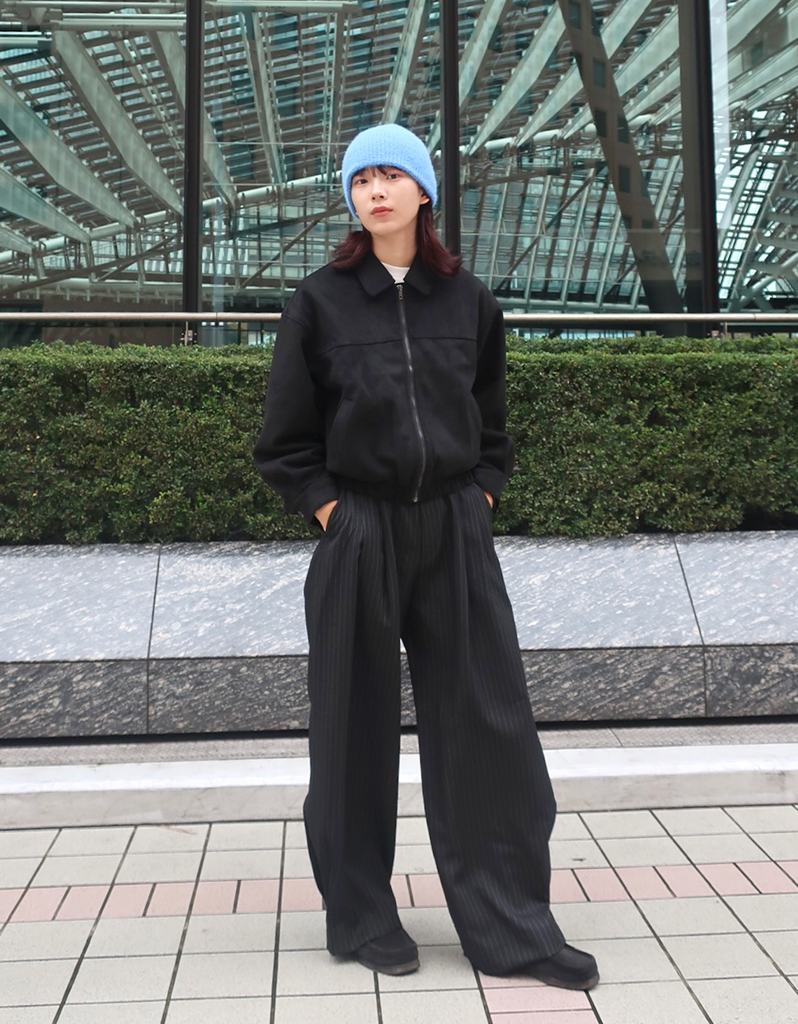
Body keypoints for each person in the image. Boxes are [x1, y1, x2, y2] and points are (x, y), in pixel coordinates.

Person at [253, 123, 599, 991]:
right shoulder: (319, 302)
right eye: (360, 179)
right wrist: (334, 514)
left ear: (422, 192)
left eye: (390, 176)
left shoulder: (468, 300)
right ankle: (362, 918)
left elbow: (493, 425)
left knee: (489, 725)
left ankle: (512, 928)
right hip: (360, 528)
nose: (375, 191)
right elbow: (285, 441)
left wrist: (480, 498)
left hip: (453, 527)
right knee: (350, 730)